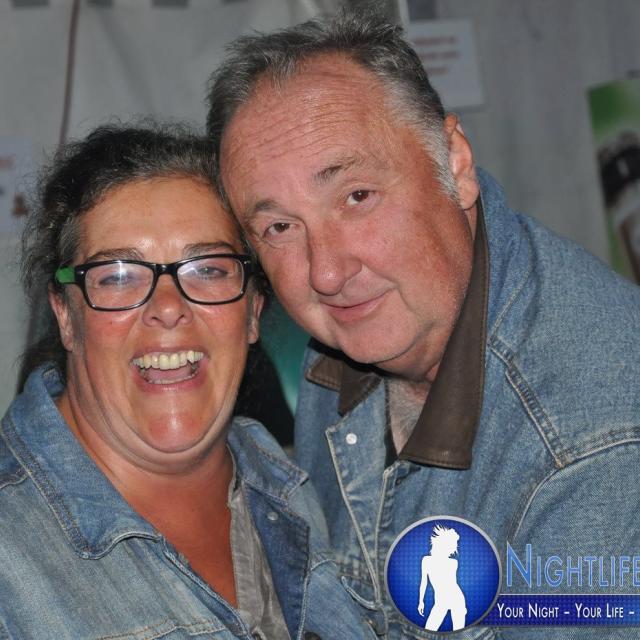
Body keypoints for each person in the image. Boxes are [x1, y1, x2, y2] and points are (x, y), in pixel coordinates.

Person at [205, 8, 640, 639]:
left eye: (356, 196)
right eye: (279, 227)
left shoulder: (593, 448)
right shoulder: (362, 328)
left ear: (454, 163)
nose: (326, 271)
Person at [0, 123, 377, 640]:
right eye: (117, 275)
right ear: (66, 315)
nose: (169, 306)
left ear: (253, 309)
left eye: (208, 269)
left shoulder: (310, 491)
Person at [417, 525, 466, 632]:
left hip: (456, 599)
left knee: (459, 633)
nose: (452, 550)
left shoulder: (453, 563)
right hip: (440, 601)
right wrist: (421, 601)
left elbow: (452, 584)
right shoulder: (426, 560)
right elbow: (423, 583)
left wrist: (462, 608)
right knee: (428, 630)